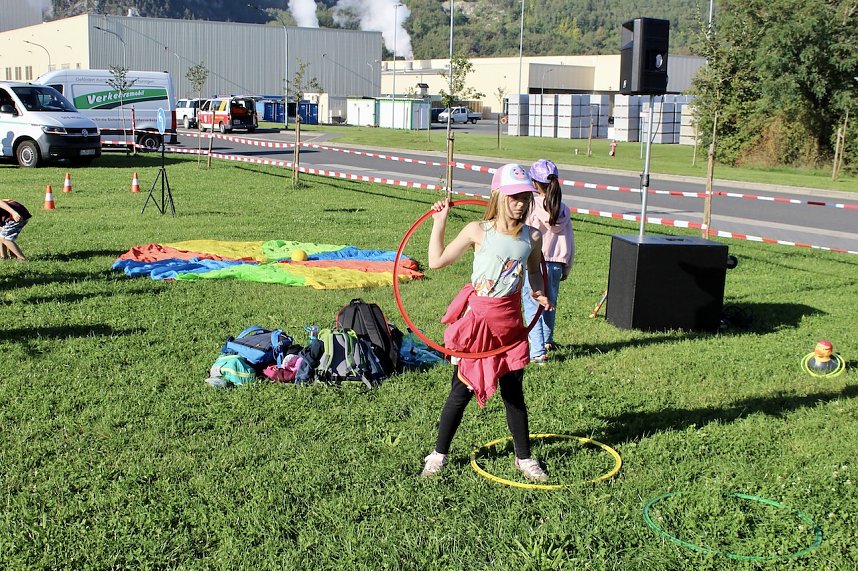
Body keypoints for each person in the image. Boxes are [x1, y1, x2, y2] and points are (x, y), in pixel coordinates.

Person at [420, 163, 554, 482]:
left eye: (525, 197)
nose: (520, 203)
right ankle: (438, 454)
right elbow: (436, 261)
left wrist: (538, 292)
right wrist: (439, 222)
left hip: (509, 324)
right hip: (478, 322)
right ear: (497, 195)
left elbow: (534, 270)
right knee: (460, 391)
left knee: (513, 392)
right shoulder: (477, 230)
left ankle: (524, 459)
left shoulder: (532, 236)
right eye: (513, 197)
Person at [522, 159, 574, 365]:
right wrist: (566, 265)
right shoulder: (563, 209)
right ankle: (547, 341)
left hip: (535, 264)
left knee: (533, 304)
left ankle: (537, 352)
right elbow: (569, 239)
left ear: (534, 183)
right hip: (556, 264)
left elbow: (523, 235)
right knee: (549, 304)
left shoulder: (531, 205)